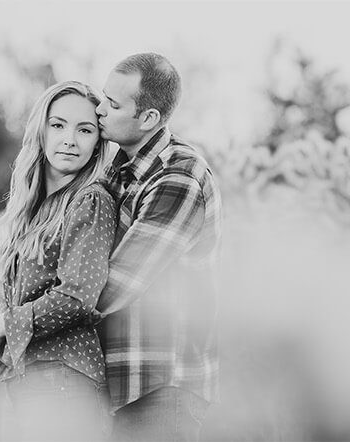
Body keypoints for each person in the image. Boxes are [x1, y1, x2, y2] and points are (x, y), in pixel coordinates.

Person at [0, 80, 121, 441]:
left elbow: (77, 297)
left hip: (64, 380)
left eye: (85, 130)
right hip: (35, 379)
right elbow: (29, 292)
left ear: (97, 141)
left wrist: (3, 326)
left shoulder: (90, 200)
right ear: (40, 130)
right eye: (58, 125)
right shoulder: (37, 210)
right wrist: (0, 328)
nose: (70, 139)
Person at [93, 52, 222, 442]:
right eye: (103, 97)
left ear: (148, 119)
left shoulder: (179, 176)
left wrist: (21, 326)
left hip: (161, 388)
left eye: (113, 105)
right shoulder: (117, 170)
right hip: (121, 386)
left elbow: (116, 284)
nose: (99, 110)